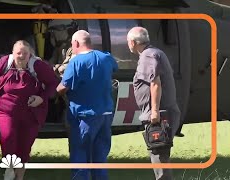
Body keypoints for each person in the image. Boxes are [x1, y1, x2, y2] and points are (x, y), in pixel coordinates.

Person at [0, 40, 59, 180]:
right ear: (13, 53)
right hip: (6, 109)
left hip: (31, 112)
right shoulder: (4, 63)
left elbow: (53, 82)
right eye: (19, 53)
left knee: (24, 147)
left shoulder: (37, 66)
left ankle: (19, 177)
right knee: (8, 137)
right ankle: (9, 168)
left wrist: (41, 98)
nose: (22, 56)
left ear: (30, 54)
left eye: (25, 53)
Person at [56, 30, 118, 180]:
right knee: (100, 157)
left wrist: (53, 88)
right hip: (106, 115)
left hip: (84, 117)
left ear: (76, 43)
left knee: (80, 155)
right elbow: (114, 68)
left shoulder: (76, 62)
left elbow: (63, 88)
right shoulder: (106, 58)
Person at [127, 27, 181, 180]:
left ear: (132, 42)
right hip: (164, 112)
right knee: (161, 156)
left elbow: (155, 83)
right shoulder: (155, 53)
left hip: (159, 114)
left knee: (159, 157)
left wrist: (155, 112)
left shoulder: (148, 55)